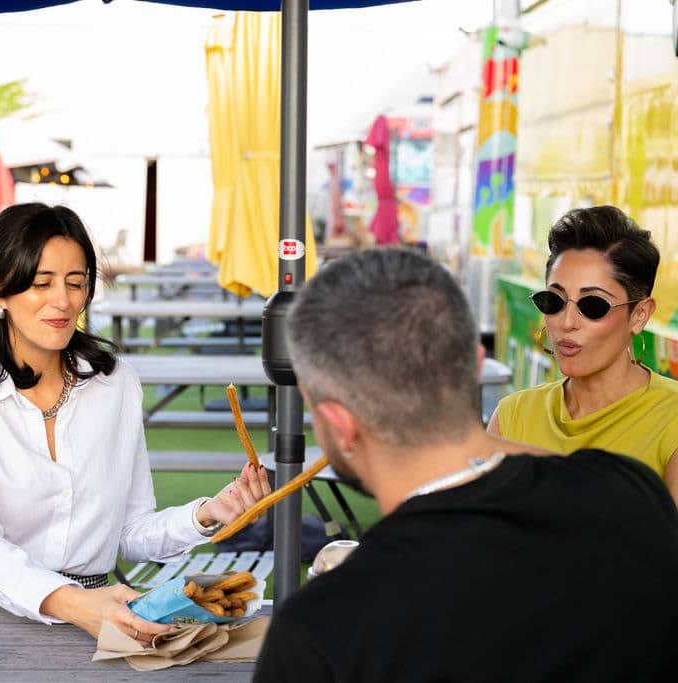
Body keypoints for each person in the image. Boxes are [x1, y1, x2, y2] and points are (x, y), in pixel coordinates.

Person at [254, 247, 678, 682]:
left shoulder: (321, 629)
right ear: (474, 366)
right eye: (555, 301)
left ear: (338, 425)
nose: (568, 321)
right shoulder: (630, 491)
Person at [0, 202, 270, 645]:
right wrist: (69, 601)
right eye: (41, 282)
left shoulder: (116, 385)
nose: (63, 301)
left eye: (75, 282)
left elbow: (129, 530)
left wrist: (206, 514)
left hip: (101, 610)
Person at [487, 205, 678, 505]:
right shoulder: (511, 417)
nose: (566, 322)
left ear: (639, 315)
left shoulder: (671, 422)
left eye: (592, 306)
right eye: (554, 300)